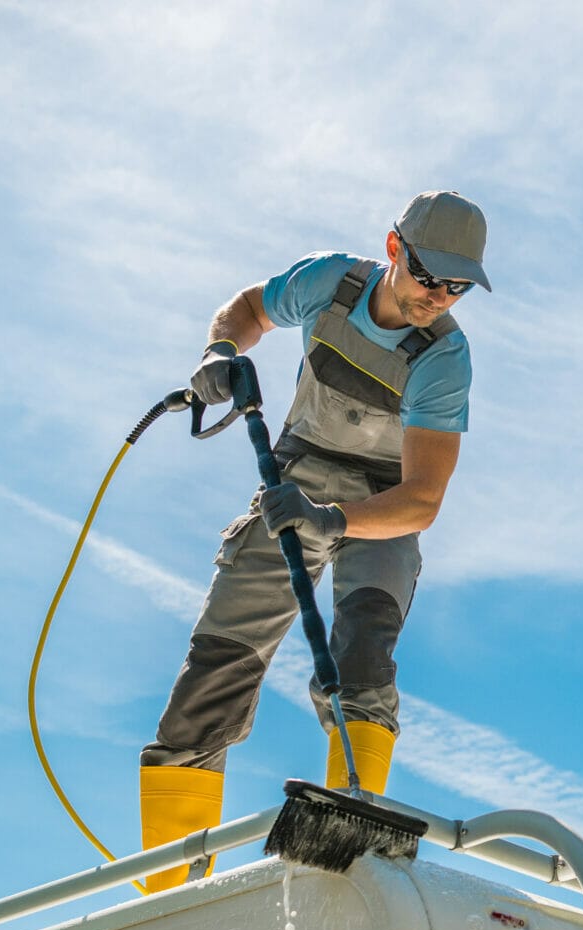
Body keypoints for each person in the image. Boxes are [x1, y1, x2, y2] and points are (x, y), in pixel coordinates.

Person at [138, 190, 490, 891]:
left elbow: (421, 499)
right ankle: (166, 886)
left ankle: (347, 837)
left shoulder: (443, 359)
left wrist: (334, 519)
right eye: (429, 277)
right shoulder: (329, 283)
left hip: (380, 506)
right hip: (294, 480)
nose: (440, 298)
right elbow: (247, 310)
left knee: (363, 646)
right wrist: (219, 350)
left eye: (458, 287)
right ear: (395, 251)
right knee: (216, 669)